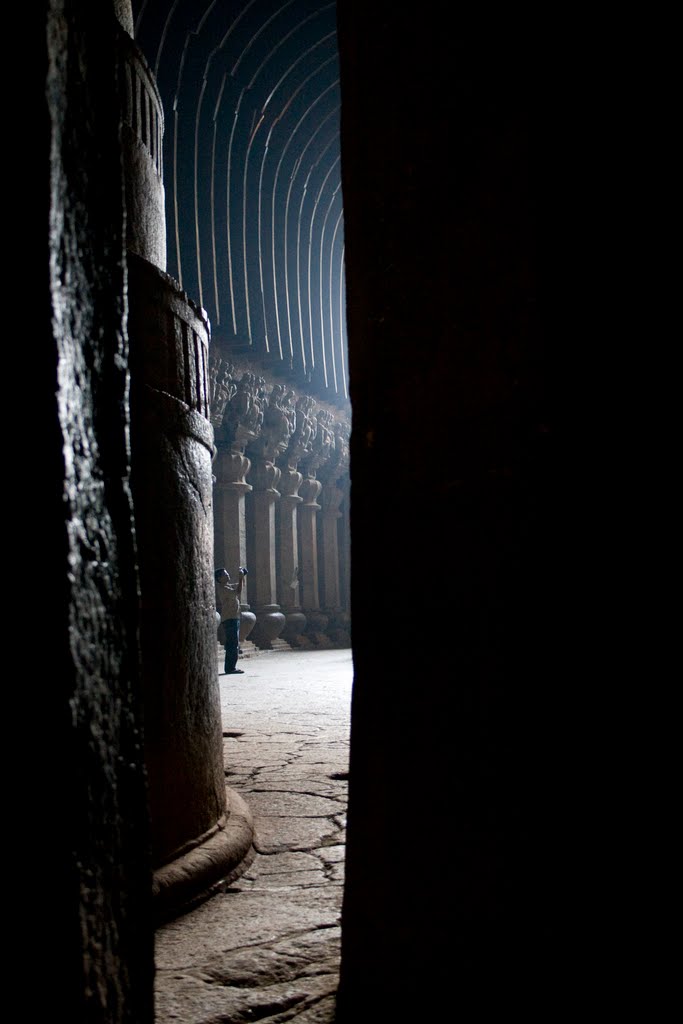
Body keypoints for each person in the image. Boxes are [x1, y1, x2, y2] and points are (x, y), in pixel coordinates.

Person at [214, 566, 247, 675]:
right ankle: (230, 668)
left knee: (233, 643)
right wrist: (241, 578)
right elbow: (237, 591)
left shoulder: (226, 586)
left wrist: (242, 577)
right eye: (225, 574)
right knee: (232, 644)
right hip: (230, 618)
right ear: (219, 578)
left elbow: (240, 587)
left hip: (233, 617)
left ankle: (231, 667)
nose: (228, 575)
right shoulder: (223, 588)